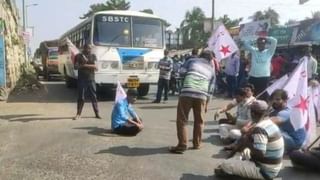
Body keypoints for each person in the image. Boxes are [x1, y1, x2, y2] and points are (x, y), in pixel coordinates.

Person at [215, 100, 284, 180]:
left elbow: (260, 153)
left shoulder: (260, 128)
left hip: (264, 170)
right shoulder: (268, 122)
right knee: (244, 152)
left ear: (253, 113)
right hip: (272, 167)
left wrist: (246, 141)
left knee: (225, 165)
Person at [169, 50, 216, 153]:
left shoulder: (192, 61)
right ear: (210, 59)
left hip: (187, 92)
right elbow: (211, 90)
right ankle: (197, 144)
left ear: (200, 55)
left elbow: (181, 72)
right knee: (199, 121)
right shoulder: (212, 70)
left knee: (182, 120)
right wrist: (207, 104)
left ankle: (182, 145)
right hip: (202, 96)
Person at [73, 44, 100, 120]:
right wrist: (86, 65)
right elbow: (75, 67)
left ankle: (97, 113)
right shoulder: (78, 56)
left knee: (93, 97)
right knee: (81, 97)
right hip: (81, 79)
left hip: (91, 79)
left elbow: (96, 67)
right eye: (88, 48)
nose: (89, 50)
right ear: (84, 48)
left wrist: (84, 65)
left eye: (90, 48)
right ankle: (78, 114)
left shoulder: (93, 56)